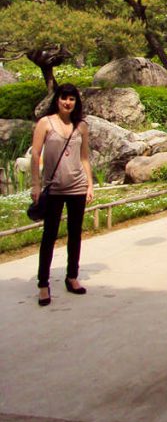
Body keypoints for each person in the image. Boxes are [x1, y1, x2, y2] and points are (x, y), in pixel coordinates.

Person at [30, 84, 93, 307]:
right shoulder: (45, 123)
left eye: (72, 99)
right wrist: (36, 185)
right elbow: (35, 154)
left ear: (76, 102)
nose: (68, 103)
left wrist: (90, 185)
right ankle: (43, 284)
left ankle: (72, 277)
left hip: (77, 187)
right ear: (57, 100)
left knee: (75, 234)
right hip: (54, 188)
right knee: (49, 236)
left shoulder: (81, 126)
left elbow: (84, 157)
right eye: (64, 98)